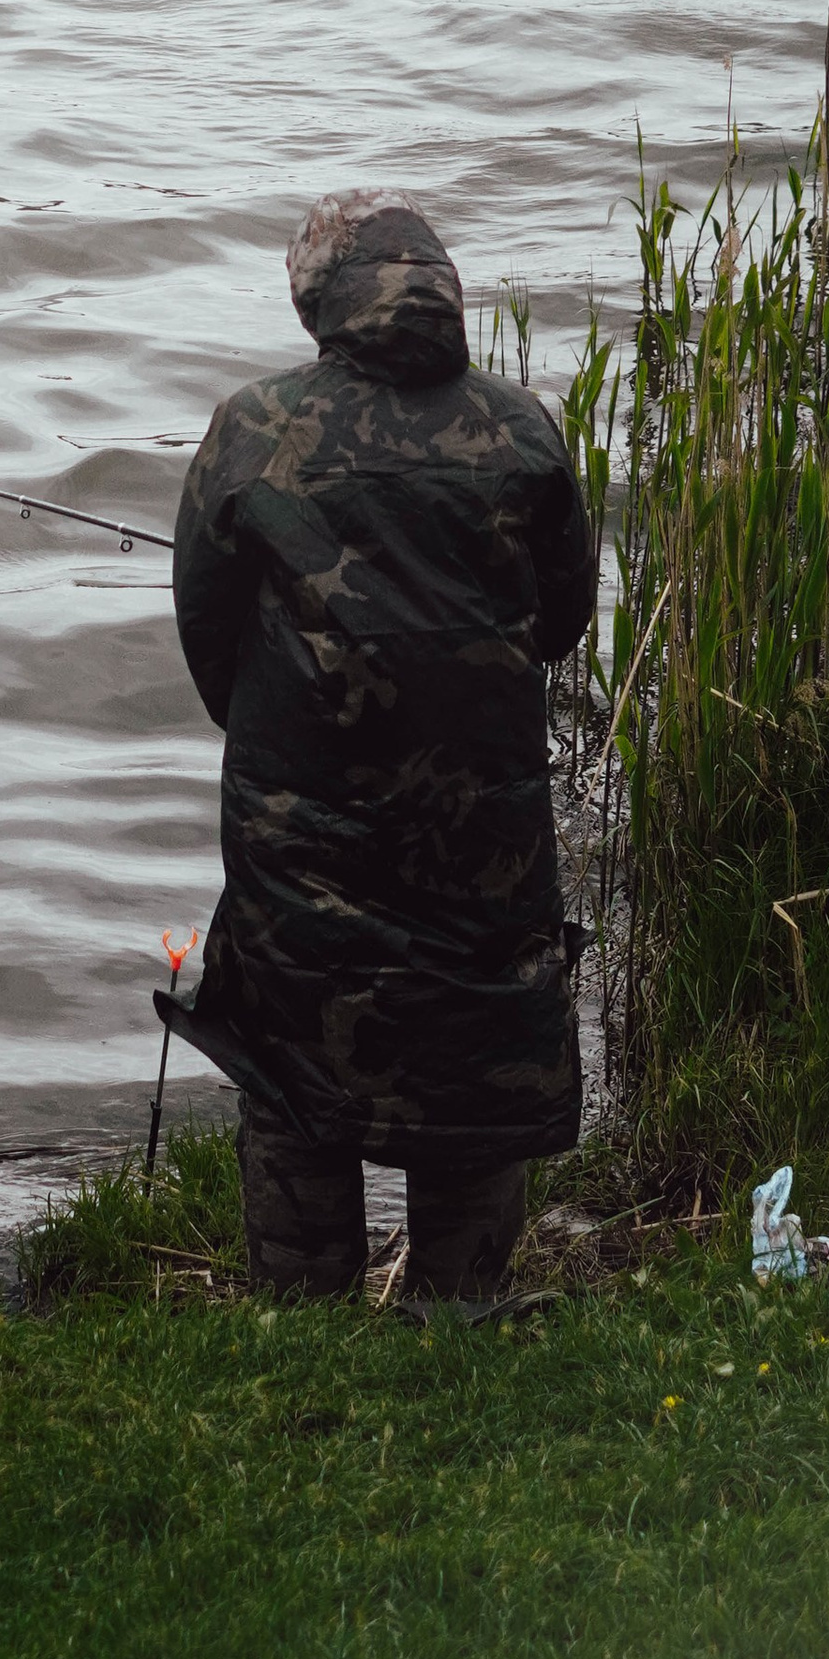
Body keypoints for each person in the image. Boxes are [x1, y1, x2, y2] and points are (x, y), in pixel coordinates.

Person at [165, 189, 597, 1303]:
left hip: (297, 825)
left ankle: (303, 1307)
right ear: (445, 299)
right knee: (476, 1027)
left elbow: (208, 640)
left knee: (295, 1050)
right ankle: (458, 1299)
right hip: (482, 832)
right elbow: (560, 623)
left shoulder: (252, 427)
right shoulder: (522, 430)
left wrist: (287, 737)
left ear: (317, 305)